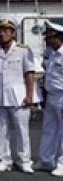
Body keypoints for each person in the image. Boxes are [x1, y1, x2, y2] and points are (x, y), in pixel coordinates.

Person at [0, 16, 35, 173]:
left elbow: (29, 74)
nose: (2, 34)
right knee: (2, 129)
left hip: (18, 96)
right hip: (0, 95)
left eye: (6, 31)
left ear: (13, 33)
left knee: (22, 130)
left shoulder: (23, 50)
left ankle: (24, 160)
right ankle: (4, 159)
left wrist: (30, 95)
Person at [39, 21, 63, 175]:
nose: (47, 40)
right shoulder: (49, 53)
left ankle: (62, 163)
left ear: (59, 37)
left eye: (50, 37)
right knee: (49, 129)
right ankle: (46, 160)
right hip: (51, 95)